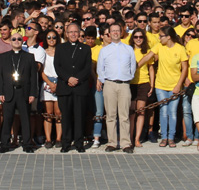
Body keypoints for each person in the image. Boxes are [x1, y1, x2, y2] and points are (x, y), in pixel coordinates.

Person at [96, 23, 137, 153]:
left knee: (124, 115)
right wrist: (104, 80)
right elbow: (100, 68)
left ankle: (125, 143)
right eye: (112, 31)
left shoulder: (128, 49)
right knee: (110, 115)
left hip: (124, 84)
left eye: (117, 31)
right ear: (109, 33)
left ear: (121, 32)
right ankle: (112, 142)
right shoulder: (104, 50)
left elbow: (133, 66)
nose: (115, 33)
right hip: (110, 84)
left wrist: (128, 76)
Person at [0, 33, 39, 153]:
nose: (16, 41)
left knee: (25, 119)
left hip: (23, 92)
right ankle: (4, 144)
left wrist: (32, 94)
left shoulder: (29, 57)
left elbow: (33, 77)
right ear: (10, 41)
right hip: (8, 92)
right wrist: (0, 92)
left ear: (22, 41)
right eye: (14, 39)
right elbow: (0, 76)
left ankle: (27, 144)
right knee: (7, 119)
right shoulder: (4, 57)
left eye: (19, 39)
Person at [54, 22, 93, 153]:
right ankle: (66, 143)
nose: (73, 34)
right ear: (66, 34)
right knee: (66, 117)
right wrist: (68, 78)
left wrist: (77, 79)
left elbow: (87, 68)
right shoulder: (60, 48)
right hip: (65, 87)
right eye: (71, 32)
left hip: (80, 87)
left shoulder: (86, 48)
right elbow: (57, 66)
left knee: (79, 116)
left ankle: (79, 143)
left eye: (75, 32)